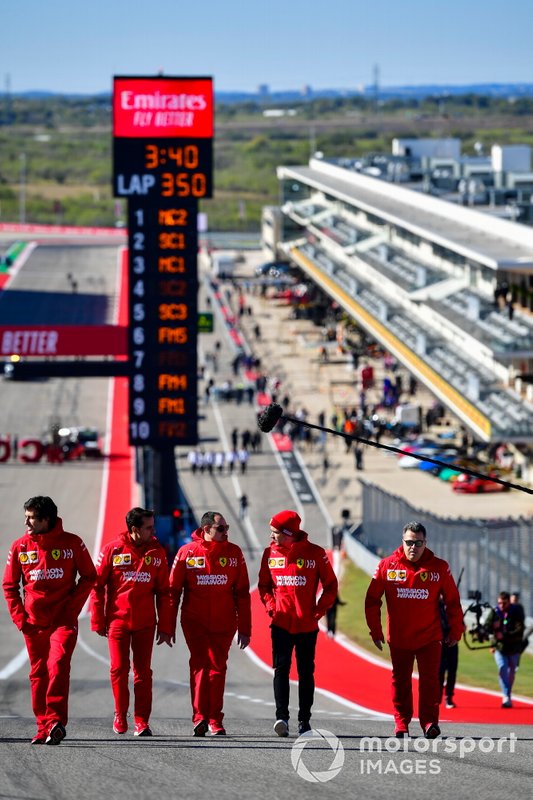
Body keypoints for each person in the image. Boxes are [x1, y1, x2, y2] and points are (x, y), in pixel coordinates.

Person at [2, 496, 96, 745]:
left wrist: (71, 610)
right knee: (39, 674)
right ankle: (42, 726)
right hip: (33, 624)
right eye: (26, 516)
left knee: (58, 666)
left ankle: (55, 720)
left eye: (31, 517)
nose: (26, 522)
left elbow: (89, 577)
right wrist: (21, 619)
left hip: (63, 622)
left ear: (47, 519)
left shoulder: (73, 543)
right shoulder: (19, 546)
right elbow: (9, 586)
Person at [364, 521, 464, 739]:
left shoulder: (439, 567)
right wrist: (376, 630)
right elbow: (372, 600)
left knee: (430, 681)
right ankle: (401, 723)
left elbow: (453, 601)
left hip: (430, 637)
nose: (413, 547)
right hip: (399, 638)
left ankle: (429, 723)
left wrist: (456, 631)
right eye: (409, 542)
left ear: (425, 543)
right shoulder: (387, 566)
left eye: (418, 543)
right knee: (400, 681)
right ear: (403, 542)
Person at [90, 507, 173, 737]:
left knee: (143, 673)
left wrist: (166, 627)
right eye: (149, 528)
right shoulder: (112, 550)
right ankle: (119, 714)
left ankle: (142, 721)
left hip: (146, 623)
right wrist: (98, 619)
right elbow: (97, 586)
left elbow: (164, 592)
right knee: (118, 669)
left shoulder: (158, 551)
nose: (154, 531)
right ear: (135, 529)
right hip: (117, 621)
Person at [169, 511, 251, 736]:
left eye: (227, 528)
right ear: (206, 530)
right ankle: (199, 718)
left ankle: (215, 718)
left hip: (225, 622)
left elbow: (243, 593)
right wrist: (167, 626)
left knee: (217, 668)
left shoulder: (234, 553)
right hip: (194, 620)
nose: (226, 532)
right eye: (221, 528)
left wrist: (245, 628)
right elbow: (172, 592)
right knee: (199, 666)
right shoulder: (186, 553)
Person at [258, 510, 338, 737]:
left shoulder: (315, 553)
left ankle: (305, 720)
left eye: (275, 532)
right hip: (281, 623)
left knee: (306, 672)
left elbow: (331, 586)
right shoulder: (269, 553)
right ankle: (281, 717)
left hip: (306, 625)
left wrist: (318, 611)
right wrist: (272, 607)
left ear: (289, 533)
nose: (271, 536)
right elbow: (264, 587)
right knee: (281, 669)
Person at [485, 591, 525, 708]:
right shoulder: (495, 611)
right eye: (499, 603)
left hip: (513, 647)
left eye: (504, 603)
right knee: (502, 667)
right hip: (499, 647)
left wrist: (505, 634)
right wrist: (490, 634)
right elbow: (487, 625)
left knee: (511, 672)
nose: (501, 605)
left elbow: (520, 629)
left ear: (508, 602)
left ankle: (507, 693)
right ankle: (506, 696)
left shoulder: (516, 611)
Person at [439, 599, 459, 709]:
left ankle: (449, 697)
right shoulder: (435, 605)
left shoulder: (453, 606)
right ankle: (437, 695)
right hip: (440, 643)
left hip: (452, 643)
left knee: (452, 670)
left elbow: (459, 622)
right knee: (440, 670)